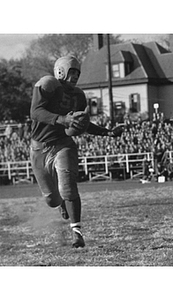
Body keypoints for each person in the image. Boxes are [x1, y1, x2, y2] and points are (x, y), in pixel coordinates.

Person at [30, 55, 123, 248]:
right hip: (39, 147)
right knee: (52, 199)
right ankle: (62, 203)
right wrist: (62, 119)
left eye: (77, 74)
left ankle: (77, 232)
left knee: (68, 186)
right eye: (71, 72)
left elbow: (83, 125)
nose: (74, 77)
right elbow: (35, 112)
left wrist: (106, 132)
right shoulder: (47, 84)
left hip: (63, 144)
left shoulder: (78, 96)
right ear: (60, 71)